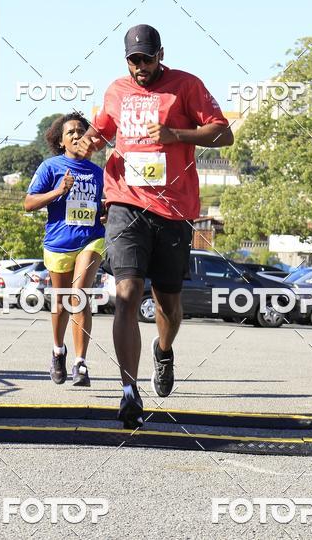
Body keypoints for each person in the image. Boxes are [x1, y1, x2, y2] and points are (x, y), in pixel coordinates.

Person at [77, 25, 233, 428]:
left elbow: (224, 133)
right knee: (127, 294)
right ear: (125, 59)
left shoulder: (186, 86)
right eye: (134, 60)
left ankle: (163, 351)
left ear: (161, 54)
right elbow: (103, 128)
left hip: (174, 210)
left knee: (168, 305)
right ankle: (128, 391)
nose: (141, 66)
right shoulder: (115, 90)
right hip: (125, 203)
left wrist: (175, 133)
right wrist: (93, 141)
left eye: (147, 58)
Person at [25, 113, 105, 387]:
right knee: (60, 302)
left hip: (91, 239)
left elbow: (105, 206)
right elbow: (29, 203)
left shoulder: (98, 172)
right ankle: (58, 351)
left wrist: (107, 213)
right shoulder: (50, 167)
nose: (75, 135)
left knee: (79, 295)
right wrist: (58, 191)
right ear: (60, 140)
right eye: (70, 131)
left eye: (80, 131)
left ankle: (80, 364)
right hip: (58, 243)